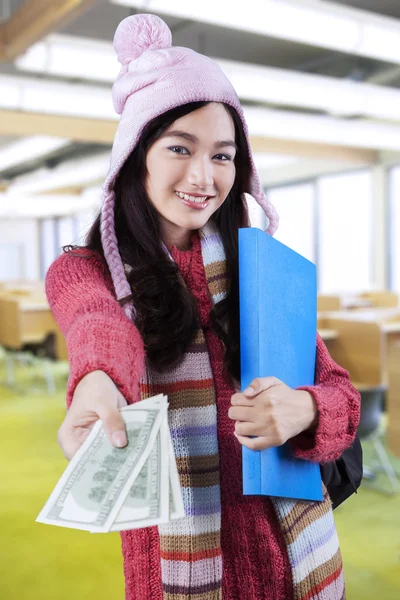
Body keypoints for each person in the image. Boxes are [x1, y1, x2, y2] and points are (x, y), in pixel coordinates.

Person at [46, 13, 360, 600]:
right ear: (136, 156)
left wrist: (305, 410)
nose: (203, 175)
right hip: (183, 580)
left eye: (223, 155)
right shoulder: (88, 271)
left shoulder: (263, 266)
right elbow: (97, 326)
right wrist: (97, 380)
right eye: (179, 148)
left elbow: (341, 395)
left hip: (308, 569)